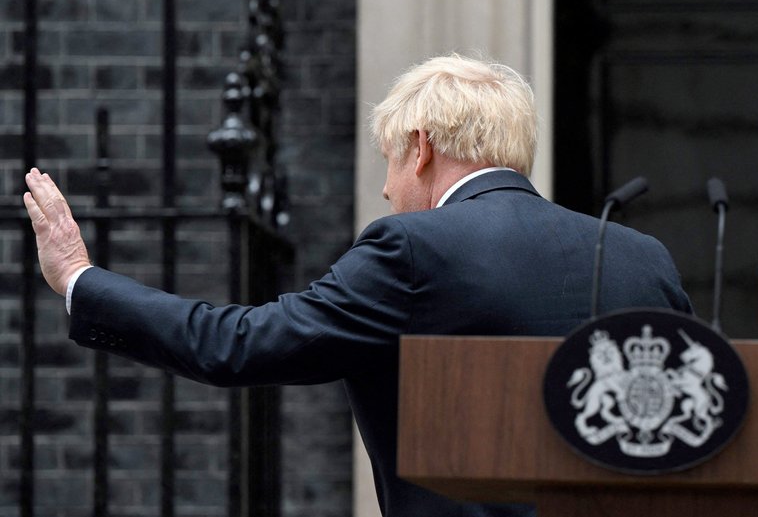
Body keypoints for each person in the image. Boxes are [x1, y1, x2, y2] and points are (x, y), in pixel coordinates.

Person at [24, 54, 692, 517]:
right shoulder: (643, 256)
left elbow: (240, 344)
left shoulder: (410, 247)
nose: (386, 187)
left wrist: (81, 279)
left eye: (391, 162)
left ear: (421, 147)